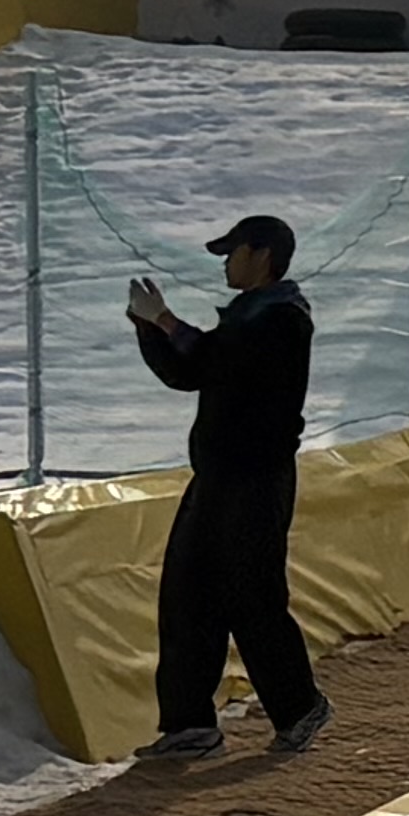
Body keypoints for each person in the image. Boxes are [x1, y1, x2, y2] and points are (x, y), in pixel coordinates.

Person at [125, 216, 324, 763]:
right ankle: (190, 725)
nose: (225, 263)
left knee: (253, 597)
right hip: (216, 479)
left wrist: (164, 319)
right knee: (187, 595)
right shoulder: (247, 315)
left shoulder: (283, 318)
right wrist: (148, 329)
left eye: (232, 252)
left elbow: (216, 360)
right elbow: (188, 373)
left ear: (261, 255)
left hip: (257, 480)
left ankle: (301, 707)